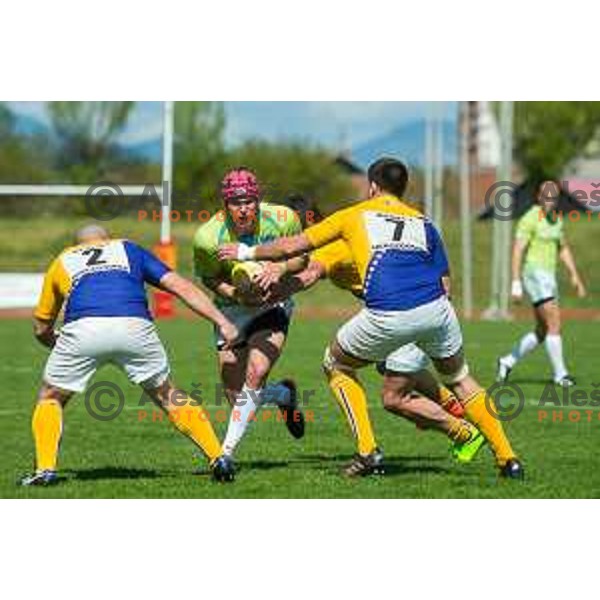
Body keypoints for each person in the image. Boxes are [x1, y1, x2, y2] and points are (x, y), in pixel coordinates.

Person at [219, 157, 523, 479]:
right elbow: (445, 280)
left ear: (372, 186)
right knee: (457, 378)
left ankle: (373, 451)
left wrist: (247, 255)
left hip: (391, 311)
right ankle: (508, 458)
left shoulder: (351, 219)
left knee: (346, 370)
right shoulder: (424, 221)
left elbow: (301, 264)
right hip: (438, 309)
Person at [21, 225, 240, 486]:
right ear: (107, 238)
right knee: (167, 395)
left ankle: (45, 470)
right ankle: (218, 458)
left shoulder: (63, 259)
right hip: (135, 325)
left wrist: (56, 342)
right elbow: (181, 287)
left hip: (84, 327)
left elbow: (41, 326)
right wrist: (222, 322)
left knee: (51, 397)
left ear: (76, 243)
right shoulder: (127, 248)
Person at [264, 220, 485, 476]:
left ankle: (462, 433)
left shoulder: (331, 248)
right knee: (388, 365)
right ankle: (456, 409)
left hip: (403, 313)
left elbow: (310, 273)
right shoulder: (358, 235)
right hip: (421, 309)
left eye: (293, 237)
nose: (290, 244)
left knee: (376, 388)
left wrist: (271, 291)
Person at [193, 167, 307, 461]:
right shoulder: (207, 237)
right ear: (225, 204)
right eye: (235, 203)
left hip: (273, 304)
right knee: (236, 396)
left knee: (256, 373)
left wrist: (279, 267)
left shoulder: (284, 219)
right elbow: (209, 278)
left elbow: (303, 257)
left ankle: (224, 455)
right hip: (231, 311)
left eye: (248, 202)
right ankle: (283, 396)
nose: (243, 209)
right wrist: (235, 293)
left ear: (258, 200)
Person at [497, 180, 587, 386]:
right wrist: (516, 283)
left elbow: (562, 248)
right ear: (539, 197)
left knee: (542, 330)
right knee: (555, 322)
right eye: (546, 197)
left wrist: (574, 276)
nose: (550, 202)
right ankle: (560, 374)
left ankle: (506, 361)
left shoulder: (556, 220)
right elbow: (518, 250)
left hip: (549, 277)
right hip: (534, 275)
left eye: (553, 198)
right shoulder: (529, 219)